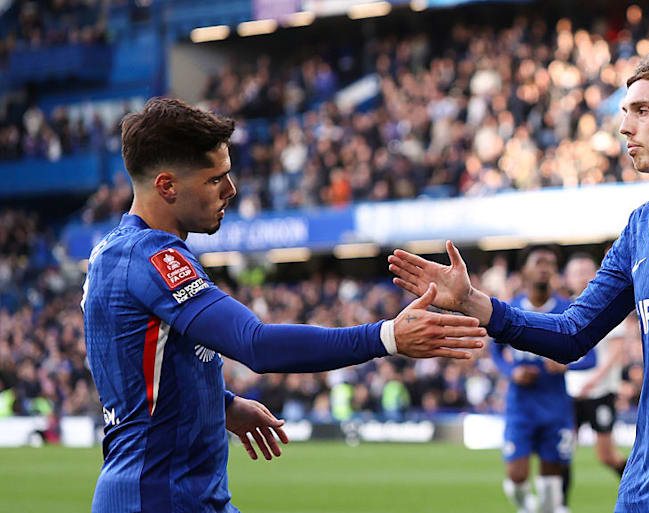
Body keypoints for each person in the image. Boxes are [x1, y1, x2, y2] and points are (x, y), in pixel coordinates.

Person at [388, 42, 649, 513]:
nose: (625, 125)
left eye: (643, 110)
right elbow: (572, 332)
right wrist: (474, 302)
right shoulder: (640, 227)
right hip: (639, 490)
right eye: (626, 111)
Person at [81, 97, 485, 513]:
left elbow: (136, 363)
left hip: (183, 494)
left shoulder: (113, 251)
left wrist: (222, 404)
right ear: (166, 186)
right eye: (215, 179)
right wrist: (387, 337)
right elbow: (256, 344)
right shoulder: (153, 259)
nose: (231, 190)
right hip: (157, 499)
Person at [490, 246, 595, 513]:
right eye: (539, 262)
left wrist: (567, 366)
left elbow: (591, 357)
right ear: (524, 270)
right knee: (516, 476)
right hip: (520, 406)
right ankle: (527, 508)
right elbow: (495, 351)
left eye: (550, 263)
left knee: (551, 480)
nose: (545, 267)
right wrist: (511, 372)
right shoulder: (509, 309)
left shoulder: (568, 309)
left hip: (555, 406)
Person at [560, 253, 628, 507]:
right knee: (562, 451)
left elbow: (617, 351)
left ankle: (637, 490)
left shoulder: (607, 304)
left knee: (606, 455)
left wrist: (595, 379)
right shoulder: (561, 306)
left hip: (600, 391)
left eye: (587, 270)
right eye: (576, 271)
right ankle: (560, 505)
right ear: (567, 277)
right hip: (570, 392)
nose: (582, 277)